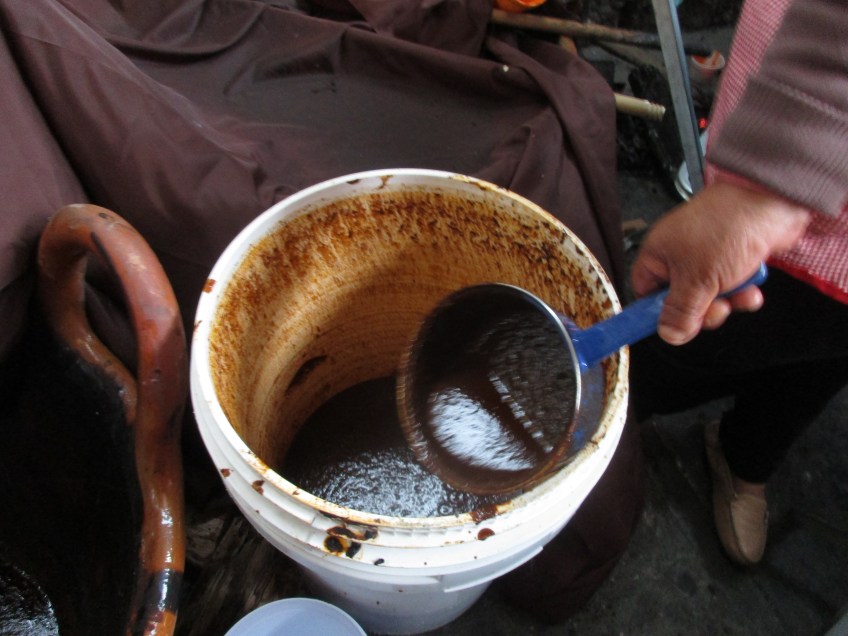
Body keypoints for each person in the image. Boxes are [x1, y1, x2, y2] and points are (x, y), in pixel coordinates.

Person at [630, 0, 848, 565]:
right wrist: (768, 186)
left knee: (819, 370)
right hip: (805, 127)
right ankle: (607, 419)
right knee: (693, 337)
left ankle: (743, 455)